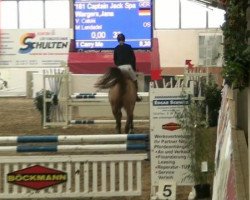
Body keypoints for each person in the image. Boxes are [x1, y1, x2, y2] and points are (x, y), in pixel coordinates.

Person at [113, 33, 141, 101]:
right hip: (128, 67)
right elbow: (133, 58)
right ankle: (136, 95)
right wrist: (133, 69)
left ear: (118, 40)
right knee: (135, 81)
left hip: (120, 68)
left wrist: (118, 66)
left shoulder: (116, 48)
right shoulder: (129, 47)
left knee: (116, 81)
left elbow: (115, 60)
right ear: (124, 39)